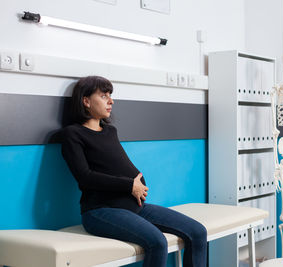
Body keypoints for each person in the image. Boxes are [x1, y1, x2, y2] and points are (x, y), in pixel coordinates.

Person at [61, 76, 207, 267]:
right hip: (101, 211)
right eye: (104, 96)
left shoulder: (109, 131)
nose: (111, 101)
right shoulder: (73, 134)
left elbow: (116, 165)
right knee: (157, 242)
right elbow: (85, 177)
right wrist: (129, 184)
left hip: (135, 207)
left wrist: (136, 186)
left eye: (110, 96)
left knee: (197, 232)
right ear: (86, 101)